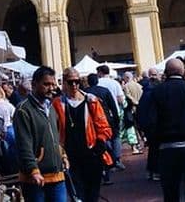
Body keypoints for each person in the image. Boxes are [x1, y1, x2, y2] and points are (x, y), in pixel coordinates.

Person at [138, 58, 185, 202]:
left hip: (166, 148)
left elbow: (149, 121)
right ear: (183, 71)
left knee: (170, 191)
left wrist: (154, 141)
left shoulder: (157, 92)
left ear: (166, 72)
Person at [52, 68, 112, 202]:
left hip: (92, 153)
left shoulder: (91, 100)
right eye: (70, 82)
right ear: (64, 83)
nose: (74, 85)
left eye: (77, 81)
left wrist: (101, 140)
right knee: (76, 194)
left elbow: (103, 125)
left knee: (92, 193)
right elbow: (54, 129)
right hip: (69, 156)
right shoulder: (57, 104)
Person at [14, 66, 68, 202]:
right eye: (46, 84)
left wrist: (63, 155)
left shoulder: (51, 107)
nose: (51, 88)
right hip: (36, 179)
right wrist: (33, 170)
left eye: (52, 84)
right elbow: (24, 144)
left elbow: (56, 137)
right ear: (34, 84)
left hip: (57, 175)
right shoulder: (23, 110)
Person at [85, 72, 121, 185]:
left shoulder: (85, 92)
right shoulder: (104, 91)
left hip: (90, 124)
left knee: (96, 149)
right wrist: (116, 120)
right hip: (105, 121)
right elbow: (113, 107)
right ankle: (108, 169)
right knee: (106, 147)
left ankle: (101, 172)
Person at [96, 65, 126, 171]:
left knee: (106, 137)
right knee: (116, 137)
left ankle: (110, 159)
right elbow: (121, 99)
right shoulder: (115, 83)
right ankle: (117, 159)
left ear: (100, 72)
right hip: (115, 113)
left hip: (101, 115)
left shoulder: (98, 83)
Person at [122, 71, 144, 154]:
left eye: (124, 77)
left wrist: (134, 101)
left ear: (127, 77)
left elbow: (127, 95)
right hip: (140, 107)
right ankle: (143, 139)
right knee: (139, 124)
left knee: (133, 127)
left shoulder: (126, 86)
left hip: (132, 108)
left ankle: (137, 144)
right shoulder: (139, 85)